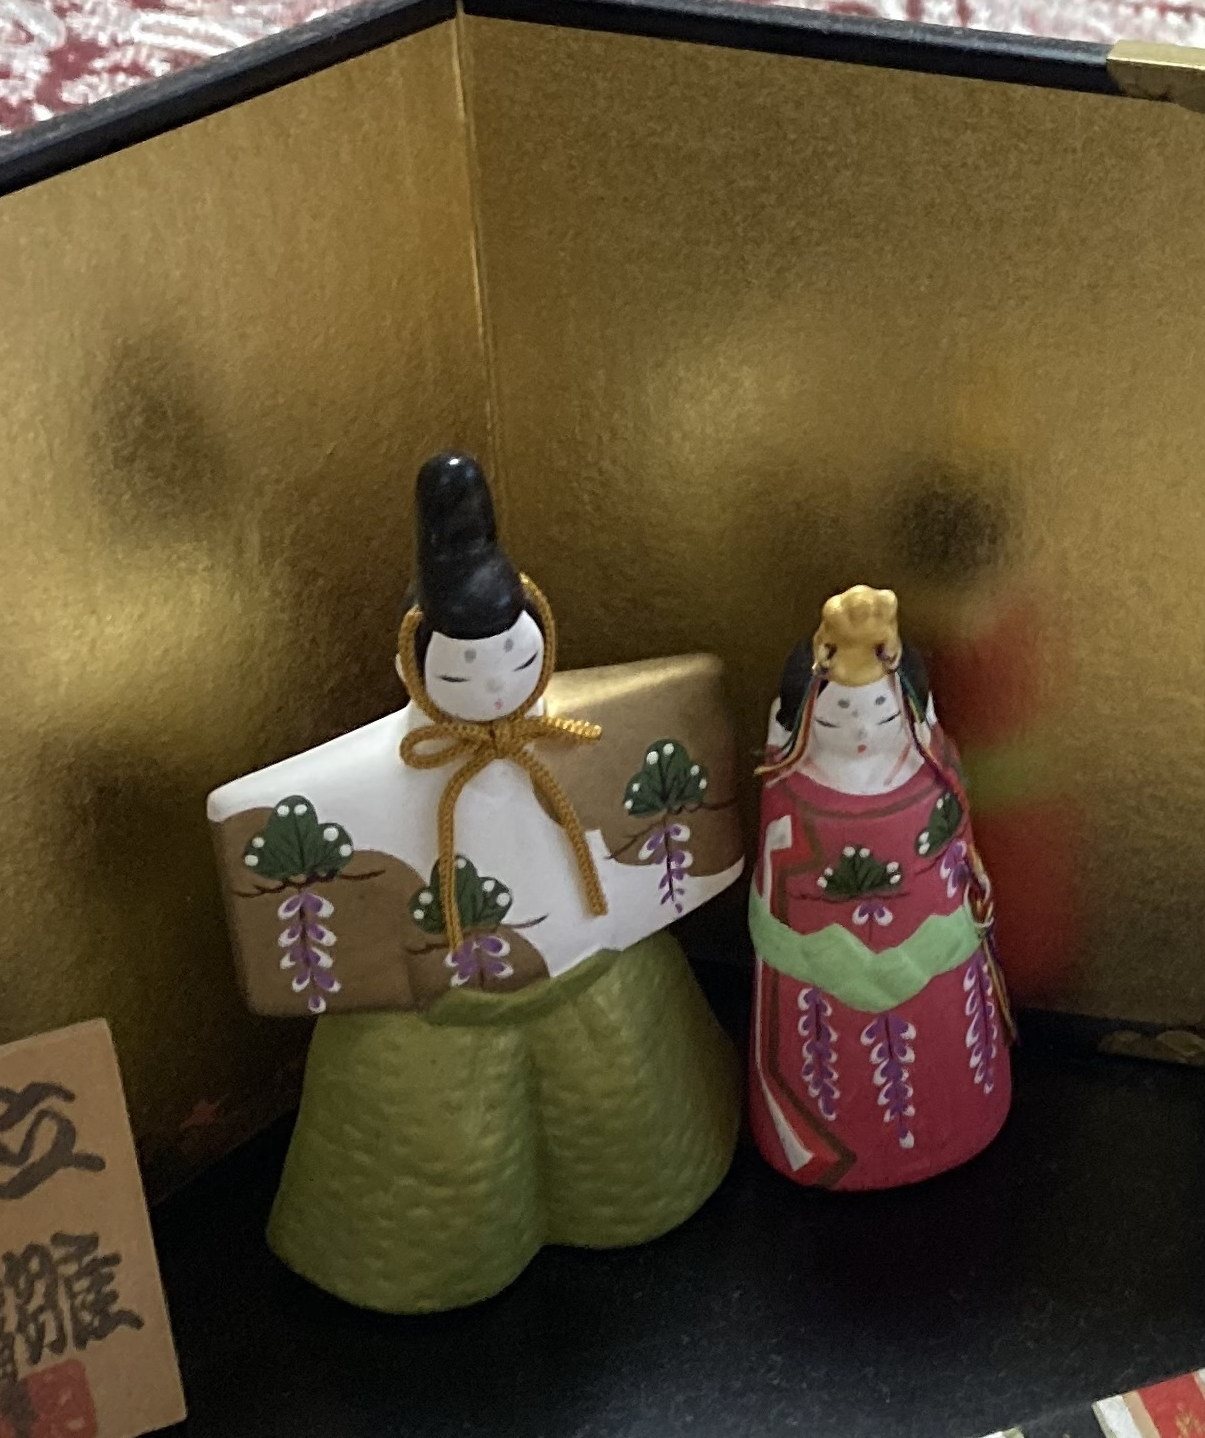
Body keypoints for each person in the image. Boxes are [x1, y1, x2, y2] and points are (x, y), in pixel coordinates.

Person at [207, 452, 744, 1314]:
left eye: (511, 658)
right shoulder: (399, 762)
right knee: (440, 1174)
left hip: (590, 970)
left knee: (628, 1125)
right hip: (439, 1006)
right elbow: (278, 835)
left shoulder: (572, 730)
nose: (494, 684)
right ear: (414, 664)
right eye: (465, 669)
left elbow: (670, 752)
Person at [748, 585, 1012, 1188]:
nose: (863, 730)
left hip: (938, 952)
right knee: (829, 1059)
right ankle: (827, 1148)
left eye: (882, 713)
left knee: (945, 1044)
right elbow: (780, 878)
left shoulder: (935, 767)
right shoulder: (789, 787)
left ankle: (960, 1122)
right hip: (818, 973)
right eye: (839, 715)